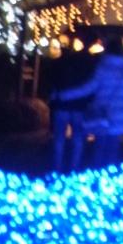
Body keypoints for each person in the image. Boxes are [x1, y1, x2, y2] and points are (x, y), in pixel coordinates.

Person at [55, 35, 123, 167]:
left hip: (104, 112)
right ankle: (111, 175)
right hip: (121, 114)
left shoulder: (105, 65)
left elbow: (90, 87)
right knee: (114, 149)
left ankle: (97, 174)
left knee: (100, 148)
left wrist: (67, 95)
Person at [48, 37, 93, 172]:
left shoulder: (57, 65)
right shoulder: (82, 67)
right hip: (78, 105)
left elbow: (52, 85)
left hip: (61, 104)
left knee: (59, 138)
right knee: (78, 138)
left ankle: (57, 166)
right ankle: (75, 166)